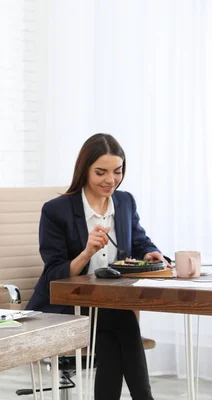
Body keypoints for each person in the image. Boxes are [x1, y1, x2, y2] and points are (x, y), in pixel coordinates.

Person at [27, 133, 168, 400]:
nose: (110, 180)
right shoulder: (57, 210)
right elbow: (53, 273)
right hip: (65, 306)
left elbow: (139, 240)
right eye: (101, 172)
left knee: (110, 335)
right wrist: (86, 252)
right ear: (85, 170)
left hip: (106, 306)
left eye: (117, 171)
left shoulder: (125, 202)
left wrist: (151, 253)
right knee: (121, 321)